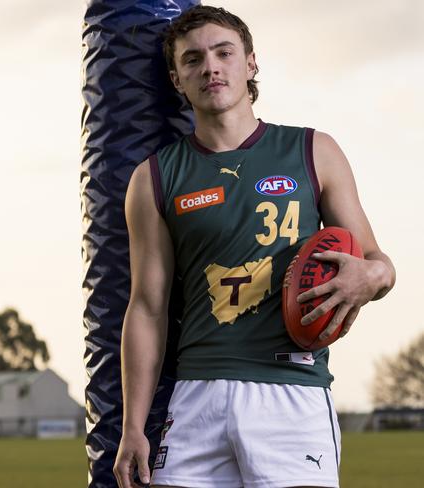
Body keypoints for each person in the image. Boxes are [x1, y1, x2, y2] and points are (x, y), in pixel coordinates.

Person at [113, 5, 396, 488]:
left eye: (224, 52)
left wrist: (367, 279)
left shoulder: (313, 151)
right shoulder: (155, 178)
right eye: (193, 59)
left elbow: (378, 264)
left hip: (291, 390)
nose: (211, 67)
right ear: (178, 80)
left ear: (251, 63)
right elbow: (146, 307)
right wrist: (132, 428)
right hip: (196, 394)